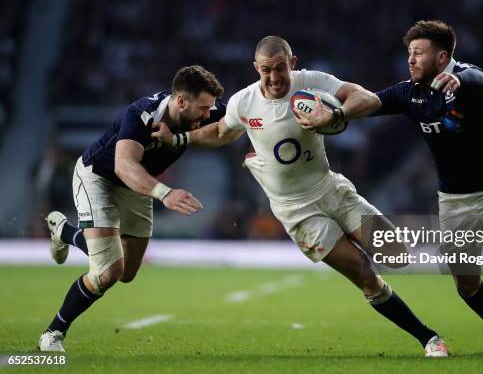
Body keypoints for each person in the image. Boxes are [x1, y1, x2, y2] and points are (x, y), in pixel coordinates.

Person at [295, 20, 483, 358]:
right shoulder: (411, 92)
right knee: (465, 285)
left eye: (418, 53)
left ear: (442, 58)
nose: (410, 59)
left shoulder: (468, 79)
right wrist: (336, 114)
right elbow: (372, 102)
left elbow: (479, 80)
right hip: (455, 203)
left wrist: (458, 79)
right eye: (409, 53)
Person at [153, 35, 448, 357]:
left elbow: (362, 97)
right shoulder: (244, 102)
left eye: (280, 68)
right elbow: (221, 132)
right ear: (256, 69)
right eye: (266, 70)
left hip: (330, 188)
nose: (274, 77)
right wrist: (180, 139)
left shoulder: (312, 83)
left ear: (291, 63)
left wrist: (335, 115)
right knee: (365, 275)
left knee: (396, 253)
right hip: (297, 210)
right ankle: (429, 338)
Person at [38, 65, 225, 352]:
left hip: (137, 187)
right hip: (99, 178)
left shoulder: (204, 110)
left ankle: (64, 231)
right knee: (107, 273)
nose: (207, 114)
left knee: (126, 273)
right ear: (181, 102)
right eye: (202, 108)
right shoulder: (141, 114)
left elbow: (235, 121)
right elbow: (124, 165)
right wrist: (165, 193)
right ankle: (53, 333)